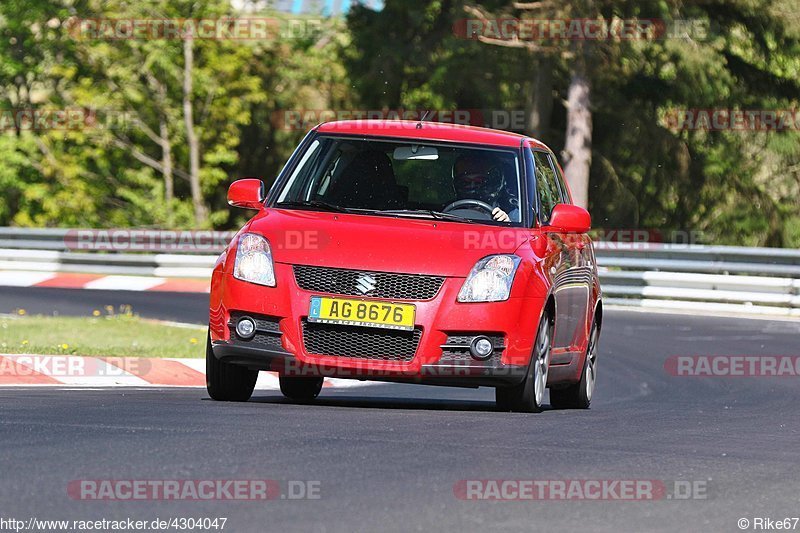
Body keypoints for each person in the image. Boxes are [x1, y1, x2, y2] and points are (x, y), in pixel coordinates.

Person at [452, 153, 519, 222]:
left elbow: (520, 231)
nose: (472, 186)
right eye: (465, 182)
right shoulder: (446, 211)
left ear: (494, 182)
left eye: (479, 181)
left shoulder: (513, 213)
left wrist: (506, 224)